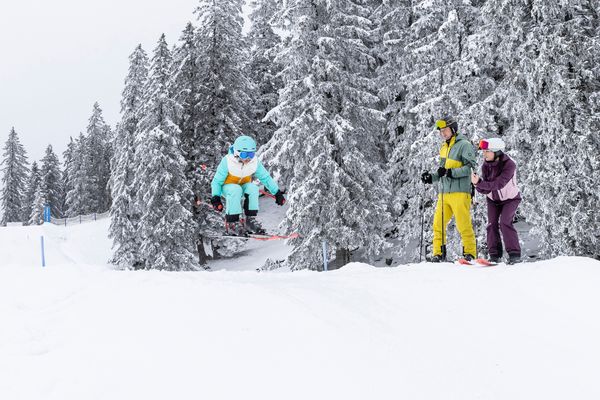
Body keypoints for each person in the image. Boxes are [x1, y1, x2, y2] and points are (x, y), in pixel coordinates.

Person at [421, 116, 477, 262]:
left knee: (463, 224)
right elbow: (442, 171)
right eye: (441, 131)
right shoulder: (444, 147)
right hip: (444, 194)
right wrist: (431, 177)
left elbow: (470, 168)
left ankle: (469, 253)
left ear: (453, 129)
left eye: (445, 130)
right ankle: (438, 254)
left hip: (460, 192)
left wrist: (451, 173)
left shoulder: (464, 145)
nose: (443, 133)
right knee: (437, 224)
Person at [210, 135, 285, 235]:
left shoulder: (254, 162)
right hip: (227, 188)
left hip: (243, 187)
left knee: (253, 188)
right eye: (245, 155)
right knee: (235, 189)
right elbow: (217, 181)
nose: (248, 158)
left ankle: (250, 220)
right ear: (237, 152)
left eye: (251, 154)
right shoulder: (227, 161)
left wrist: (277, 193)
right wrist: (216, 197)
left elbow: (265, 177)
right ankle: (232, 223)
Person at [471, 138, 522, 264]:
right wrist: (477, 185)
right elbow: (486, 188)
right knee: (491, 224)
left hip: (510, 199)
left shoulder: (509, 165)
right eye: (484, 151)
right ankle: (494, 255)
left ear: (497, 152)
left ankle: (514, 254)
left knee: (505, 222)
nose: (484, 154)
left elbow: (499, 184)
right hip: (493, 200)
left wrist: (480, 183)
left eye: (487, 151)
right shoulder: (486, 165)